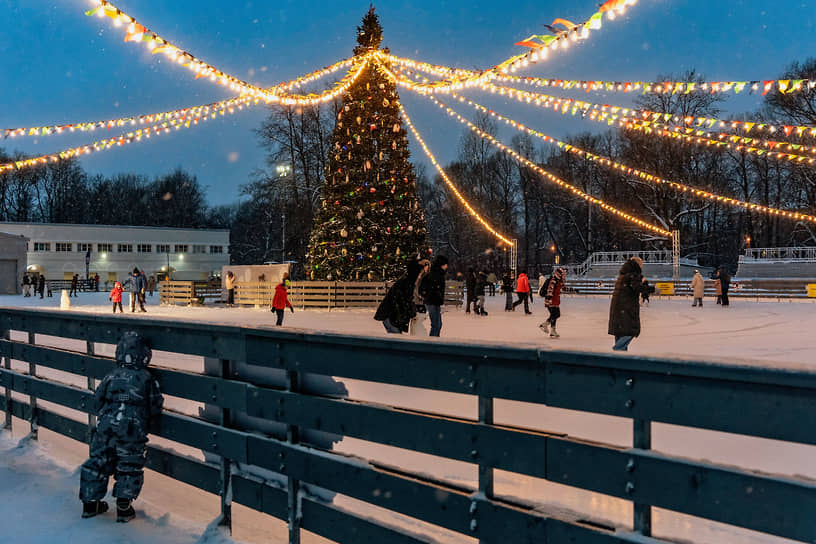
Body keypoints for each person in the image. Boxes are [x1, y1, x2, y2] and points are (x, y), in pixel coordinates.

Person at [79, 331, 163, 523]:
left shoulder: (111, 375)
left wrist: (110, 407)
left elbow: (97, 399)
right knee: (129, 464)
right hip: (132, 429)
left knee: (98, 460)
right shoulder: (146, 378)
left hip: (106, 426)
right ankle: (124, 506)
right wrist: (148, 418)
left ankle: (90, 503)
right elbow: (155, 404)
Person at [374, 259, 422, 334]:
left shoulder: (407, 282)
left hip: (393, 316)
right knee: (395, 337)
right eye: (419, 274)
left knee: (396, 337)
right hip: (391, 316)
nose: (419, 276)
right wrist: (412, 313)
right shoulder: (406, 284)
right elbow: (403, 301)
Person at [608, 257, 643, 352]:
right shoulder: (633, 274)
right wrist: (650, 287)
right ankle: (617, 350)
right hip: (626, 307)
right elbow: (637, 287)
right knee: (630, 331)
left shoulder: (623, 275)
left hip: (618, 308)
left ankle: (619, 356)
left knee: (620, 332)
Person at [419, 255, 448, 337]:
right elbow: (425, 287)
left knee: (438, 324)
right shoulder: (435, 274)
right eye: (446, 264)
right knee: (436, 325)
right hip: (432, 301)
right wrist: (427, 295)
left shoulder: (438, 273)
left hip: (435, 301)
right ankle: (432, 342)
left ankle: (435, 340)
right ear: (441, 264)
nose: (447, 266)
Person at [539, 267, 566, 338]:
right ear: (559, 274)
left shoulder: (559, 281)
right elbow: (549, 291)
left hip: (555, 301)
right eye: (563, 274)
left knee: (556, 315)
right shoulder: (553, 281)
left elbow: (562, 288)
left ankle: (550, 329)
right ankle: (549, 328)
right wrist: (549, 301)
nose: (564, 276)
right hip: (551, 301)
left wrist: (572, 290)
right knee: (554, 315)